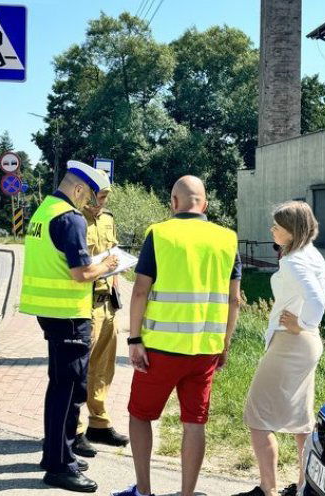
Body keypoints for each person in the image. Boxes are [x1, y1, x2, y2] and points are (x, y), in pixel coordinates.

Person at [113, 175, 242, 496]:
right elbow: (234, 299)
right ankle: (186, 494)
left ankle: (143, 491)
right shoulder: (228, 238)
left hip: (160, 350)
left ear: (173, 203)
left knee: (140, 416)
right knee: (194, 423)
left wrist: (134, 339)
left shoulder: (159, 234)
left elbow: (140, 291)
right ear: (205, 205)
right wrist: (224, 343)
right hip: (204, 352)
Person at [20, 160, 118, 493]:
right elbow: (80, 273)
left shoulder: (43, 211)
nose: (90, 203)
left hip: (50, 312)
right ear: (77, 188)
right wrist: (106, 264)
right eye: (89, 195)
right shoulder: (69, 218)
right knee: (69, 390)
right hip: (69, 315)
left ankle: (54, 455)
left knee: (60, 386)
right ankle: (61, 465)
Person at [232, 201, 325, 496]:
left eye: (277, 226)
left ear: (291, 231)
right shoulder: (311, 255)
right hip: (305, 345)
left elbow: (317, 302)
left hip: (292, 343)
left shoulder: (293, 261)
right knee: (301, 422)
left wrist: (303, 324)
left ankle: (268, 489)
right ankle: (303, 488)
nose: (271, 230)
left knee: (257, 416)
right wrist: (306, 326)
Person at [73, 172, 130, 458]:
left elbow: (112, 253)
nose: (102, 202)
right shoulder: (73, 218)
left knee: (104, 368)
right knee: (80, 370)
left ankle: (98, 423)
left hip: (108, 302)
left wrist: (118, 279)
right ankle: (75, 430)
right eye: (100, 196)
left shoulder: (107, 218)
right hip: (85, 303)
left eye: (106, 197)